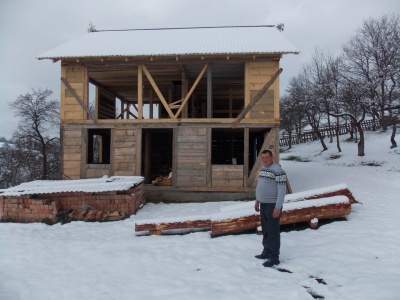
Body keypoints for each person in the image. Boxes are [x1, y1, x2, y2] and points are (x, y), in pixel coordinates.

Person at [254, 149, 286, 267]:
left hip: (273, 205)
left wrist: (278, 207)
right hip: (263, 204)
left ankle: (274, 256)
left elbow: (282, 191)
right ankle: (266, 251)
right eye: (263, 158)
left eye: (266, 158)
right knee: (266, 229)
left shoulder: (278, 171)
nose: (264, 160)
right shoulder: (262, 170)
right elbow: (260, 187)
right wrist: (257, 200)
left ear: (272, 157)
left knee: (273, 231)